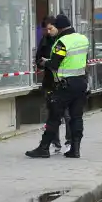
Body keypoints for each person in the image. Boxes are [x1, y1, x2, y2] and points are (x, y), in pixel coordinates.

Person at [26, 14, 89, 159]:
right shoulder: (83, 39)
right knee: (76, 117)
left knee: (54, 117)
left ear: (59, 28)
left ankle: (43, 148)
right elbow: (83, 60)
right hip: (81, 83)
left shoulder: (62, 42)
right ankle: (75, 149)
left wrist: (44, 62)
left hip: (65, 85)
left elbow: (54, 64)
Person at [34, 16, 71, 153]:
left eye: (51, 28)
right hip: (50, 81)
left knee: (67, 115)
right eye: (46, 29)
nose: (48, 31)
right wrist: (42, 62)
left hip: (65, 82)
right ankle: (55, 142)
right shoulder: (45, 40)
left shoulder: (64, 41)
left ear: (57, 27)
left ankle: (69, 141)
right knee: (53, 114)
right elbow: (38, 58)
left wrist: (50, 62)